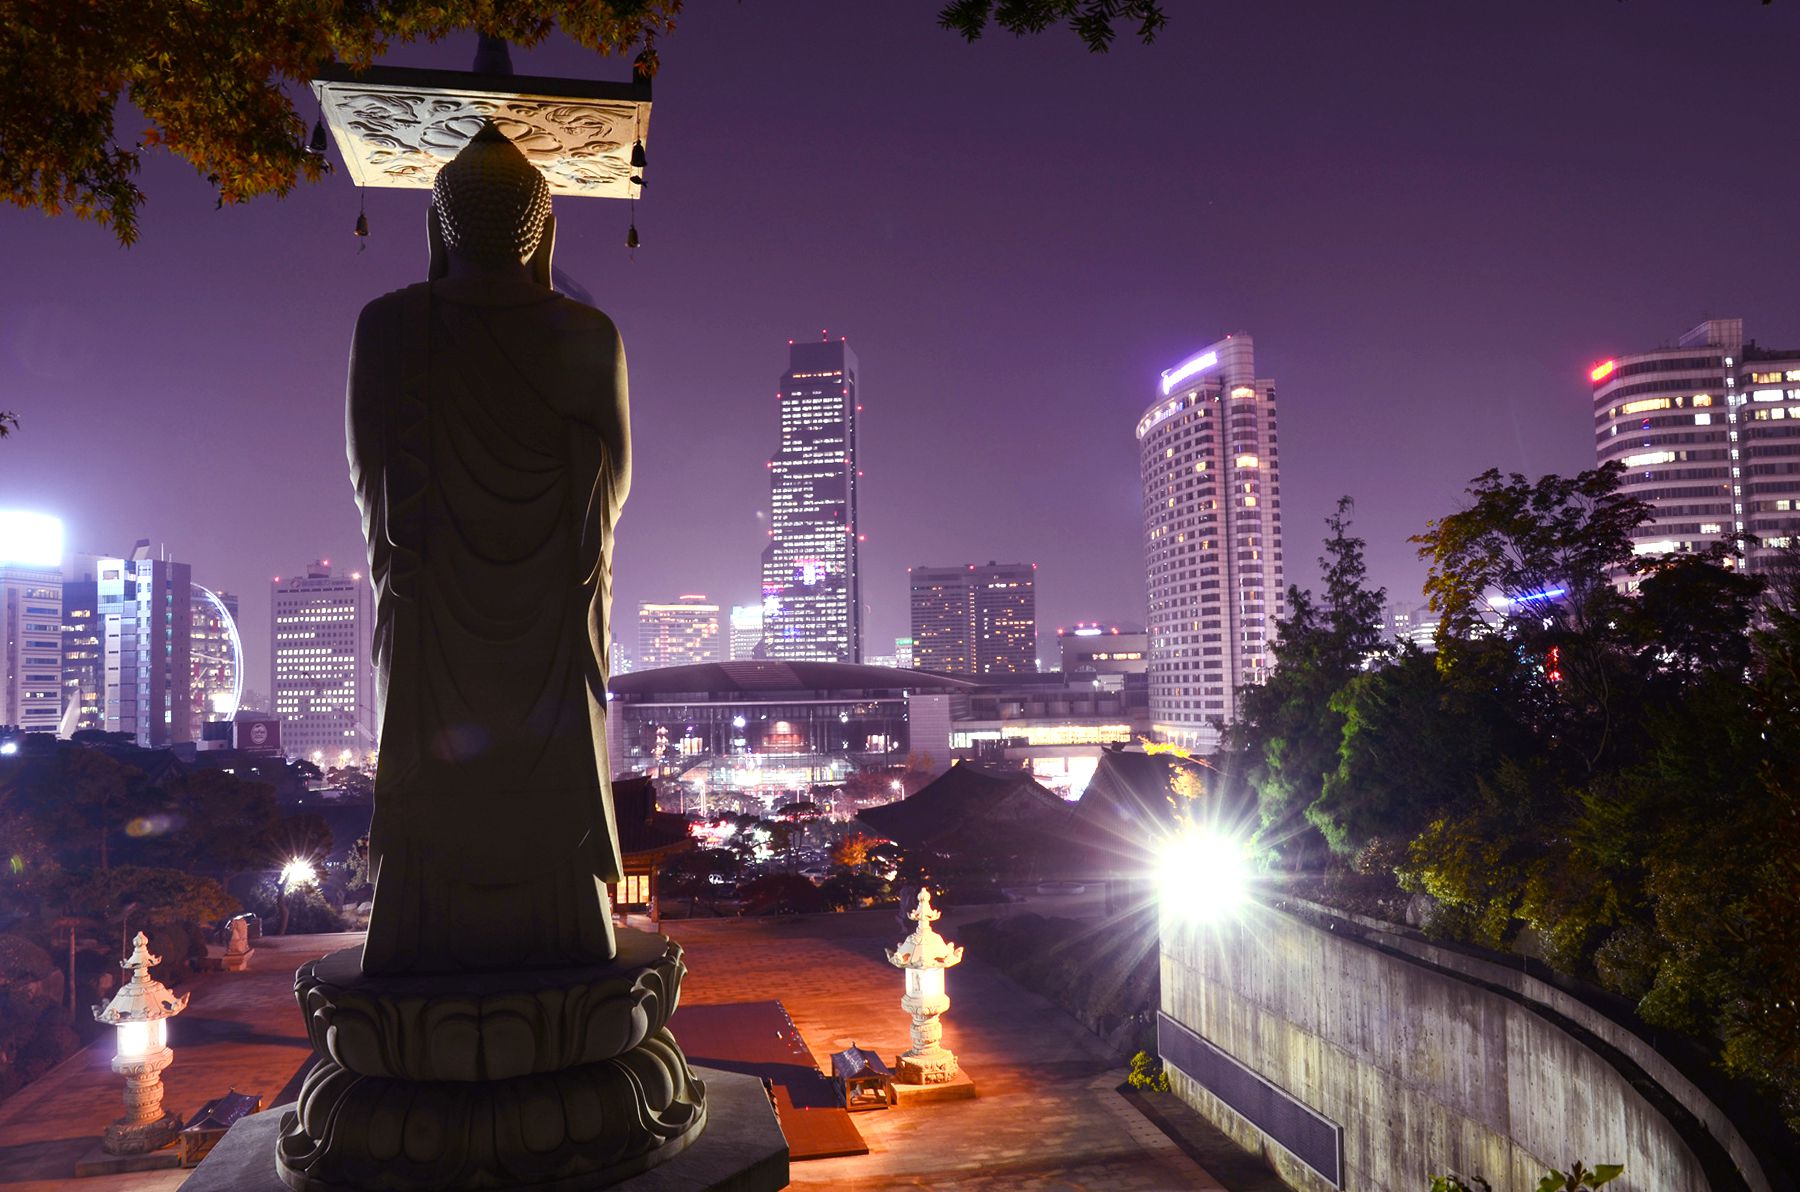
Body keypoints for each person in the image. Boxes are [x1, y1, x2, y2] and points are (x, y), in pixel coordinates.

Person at [347, 122, 631, 974]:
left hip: (431, 615)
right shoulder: (588, 333)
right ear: (544, 233)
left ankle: (420, 927)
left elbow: (371, 477)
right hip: (550, 621)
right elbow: (613, 481)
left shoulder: (388, 326)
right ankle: (563, 922)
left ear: (438, 229)